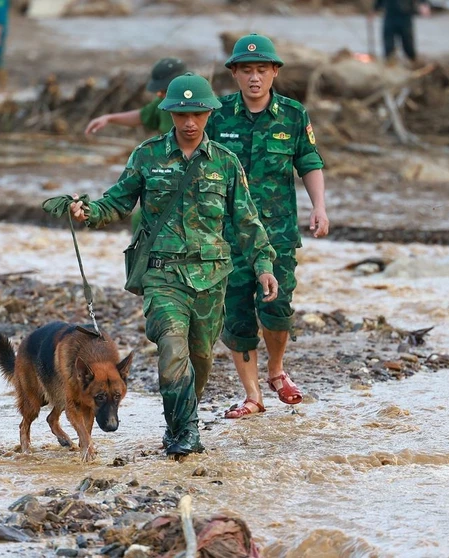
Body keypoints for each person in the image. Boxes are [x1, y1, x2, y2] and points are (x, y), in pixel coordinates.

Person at [68, 73, 278, 457]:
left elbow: (247, 220)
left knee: (199, 358)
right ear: (169, 113)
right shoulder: (147, 156)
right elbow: (116, 202)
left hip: (212, 279)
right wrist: (88, 212)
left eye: (197, 113)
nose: (190, 122)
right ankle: (185, 435)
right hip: (163, 276)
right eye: (181, 114)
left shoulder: (226, 163)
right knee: (171, 352)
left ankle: (180, 422)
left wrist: (264, 264)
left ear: (209, 113)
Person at [205, 33, 329, 419]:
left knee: (277, 309)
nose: (254, 78)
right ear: (235, 74)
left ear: (274, 72)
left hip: (276, 234)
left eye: (261, 70)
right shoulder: (218, 114)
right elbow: (194, 163)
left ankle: (276, 370)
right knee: (237, 314)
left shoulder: (293, 115)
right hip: (228, 235)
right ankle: (253, 396)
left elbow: (308, 162)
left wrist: (319, 207)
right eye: (246, 70)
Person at [85, 57, 187, 137]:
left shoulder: (199, 106)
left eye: (164, 90)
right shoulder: (163, 103)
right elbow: (142, 116)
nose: (160, 95)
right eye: (159, 91)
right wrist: (109, 118)